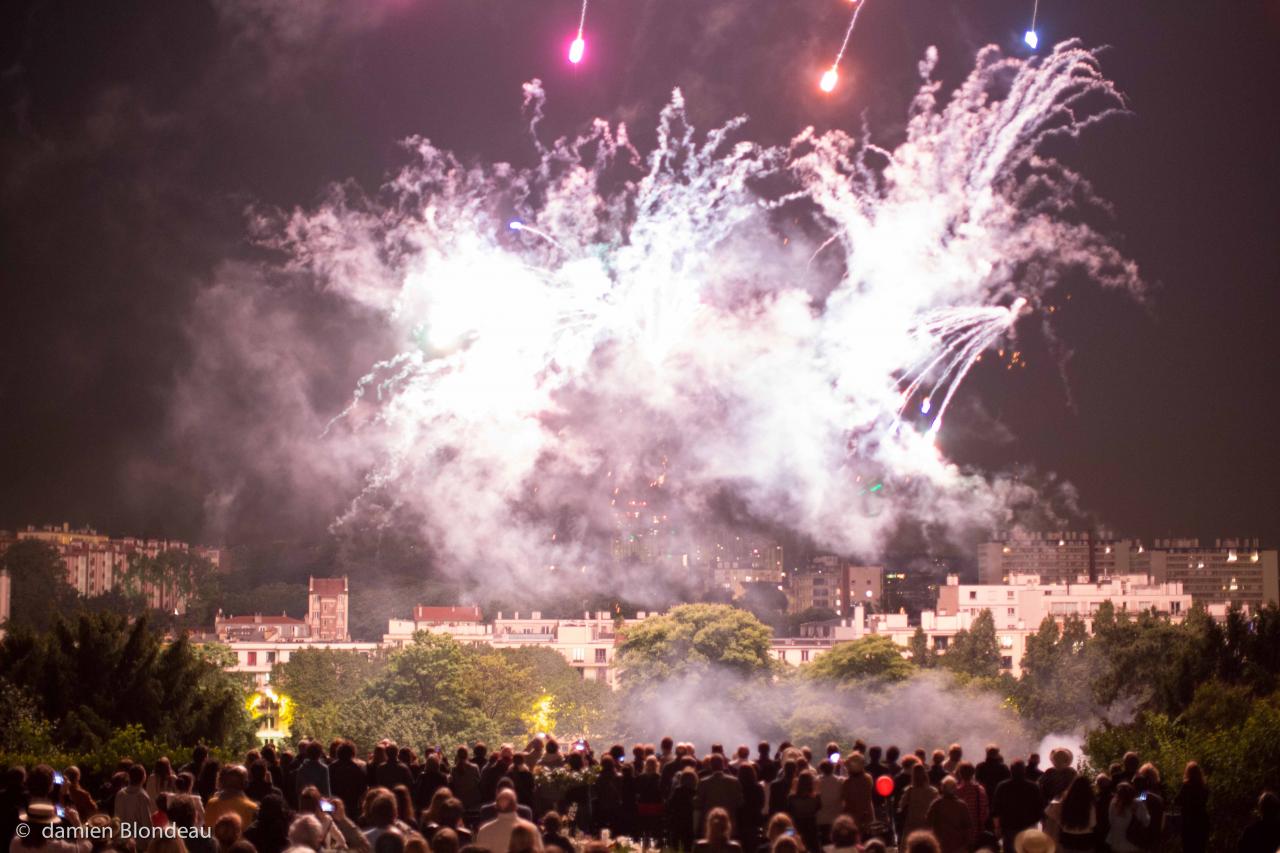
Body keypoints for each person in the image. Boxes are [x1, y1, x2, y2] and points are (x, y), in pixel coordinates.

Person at [991, 761, 1041, 852]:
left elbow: (996, 809)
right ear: (1024, 770)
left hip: (1008, 826)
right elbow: (1039, 808)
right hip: (1028, 826)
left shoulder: (1002, 786)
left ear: (1010, 770)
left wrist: (997, 827)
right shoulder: (1033, 787)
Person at [1043, 775, 1095, 851]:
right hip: (1085, 838)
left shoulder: (1065, 802)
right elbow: (1093, 823)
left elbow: (1058, 819)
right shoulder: (1089, 804)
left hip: (1067, 837)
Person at [696, 756, 743, 837]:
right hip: (729, 821)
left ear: (710, 765)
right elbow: (740, 802)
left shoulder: (703, 782)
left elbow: (698, 803)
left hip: (709, 823)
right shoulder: (734, 781)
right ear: (723, 765)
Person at [925, 778, 970, 853]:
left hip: (940, 842)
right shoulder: (962, 805)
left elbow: (928, 821)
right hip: (957, 844)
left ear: (942, 788)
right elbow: (968, 826)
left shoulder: (936, 804)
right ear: (955, 788)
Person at [1174, 762, 1209, 853]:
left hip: (1188, 821)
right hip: (1201, 820)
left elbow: (1177, 800)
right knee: (1200, 847)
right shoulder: (1203, 787)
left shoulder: (1187, 786)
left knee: (1188, 847)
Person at [1104, 783, 1149, 853]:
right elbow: (1146, 822)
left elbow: (1110, 821)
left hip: (1115, 844)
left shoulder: (1113, 804)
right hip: (1133, 844)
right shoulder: (1138, 803)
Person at [114, 764, 156, 838]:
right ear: (143, 778)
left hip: (122, 838)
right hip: (138, 841)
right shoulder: (142, 796)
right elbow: (147, 823)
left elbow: (116, 818)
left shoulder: (120, 794)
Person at [897, 764, 938, 837]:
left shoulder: (909, 791)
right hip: (927, 822)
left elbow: (901, 805)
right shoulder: (933, 791)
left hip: (912, 823)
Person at [331, 743, 369, 821]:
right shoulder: (357, 769)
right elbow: (363, 788)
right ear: (352, 753)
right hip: (352, 804)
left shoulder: (331, 768)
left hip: (335, 803)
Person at [785, 772, 820, 853]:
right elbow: (818, 808)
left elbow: (789, 815)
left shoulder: (791, 798)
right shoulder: (815, 798)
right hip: (812, 827)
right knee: (814, 848)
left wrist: (789, 833)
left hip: (797, 827)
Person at [839, 754, 874, 832]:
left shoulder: (847, 783)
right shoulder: (868, 779)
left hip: (851, 819)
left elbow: (843, 799)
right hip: (867, 816)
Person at [735, 763, 765, 853]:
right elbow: (761, 803)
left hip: (740, 820)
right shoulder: (758, 787)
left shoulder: (737, 787)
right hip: (754, 820)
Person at [667, 769, 698, 851]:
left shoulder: (678, 790)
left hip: (677, 819)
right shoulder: (695, 792)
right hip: (690, 820)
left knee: (675, 844)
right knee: (688, 844)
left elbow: (670, 804)